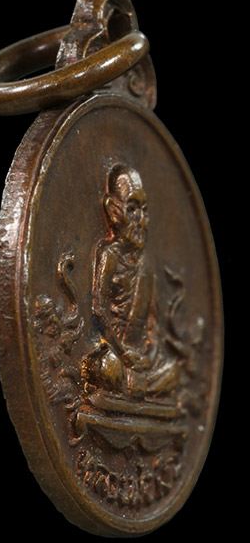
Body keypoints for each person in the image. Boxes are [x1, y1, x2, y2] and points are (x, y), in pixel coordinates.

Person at [81, 164, 181, 399]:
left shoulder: (147, 264)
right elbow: (98, 309)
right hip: (116, 351)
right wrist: (123, 353)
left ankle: (134, 388)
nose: (141, 220)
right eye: (132, 208)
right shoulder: (110, 255)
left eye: (144, 210)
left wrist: (148, 357)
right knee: (107, 368)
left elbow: (154, 325)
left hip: (139, 357)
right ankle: (133, 387)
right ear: (113, 211)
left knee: (173, 372)